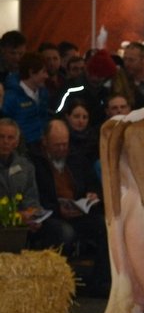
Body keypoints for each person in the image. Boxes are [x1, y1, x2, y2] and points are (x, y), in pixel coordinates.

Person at [32, 117, 108, 294]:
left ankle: (101, 282)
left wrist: (92, 194)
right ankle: (56, 285)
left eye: (64, 144)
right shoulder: (36, 161)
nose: (62, 149)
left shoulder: (76, 157)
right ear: (45, 142)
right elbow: (37, 195)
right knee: (65, 233)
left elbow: (92, 182)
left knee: (106, 226)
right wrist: (57, 208)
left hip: (78, 211)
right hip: (51, 214)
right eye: (57, 145)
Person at [0, 117, 46, 242]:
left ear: (16, 142)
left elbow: (31, 199)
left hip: (21, 227)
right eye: (1, 137)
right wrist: (15, 217)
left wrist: (34, 216)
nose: (5, 141)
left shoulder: (26, 167)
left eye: (10, 138)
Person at [2, 52, 51, 150]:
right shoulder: (10, 98)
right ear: (32, 72)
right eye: (44, 72)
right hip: (21, 149)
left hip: (43, 146)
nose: (47, 76)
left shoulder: (43, 93)